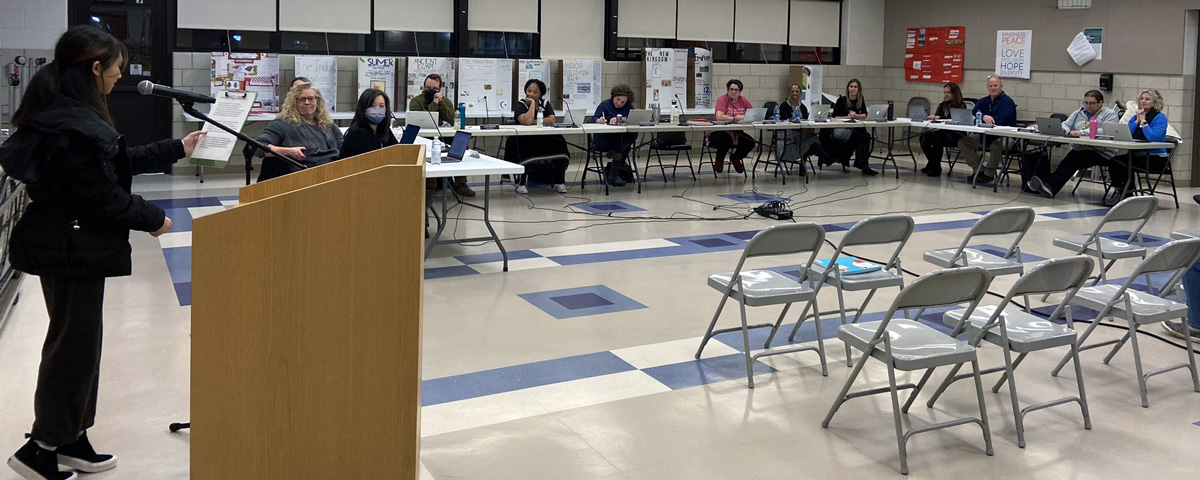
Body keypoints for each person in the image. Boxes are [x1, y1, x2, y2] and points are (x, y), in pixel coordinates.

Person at [0, 25, 204, 480]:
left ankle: (71, 437)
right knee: (72, 348)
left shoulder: (69, 114)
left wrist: (176, 147)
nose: (119, 76)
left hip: (71, 245)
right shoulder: (73, 123)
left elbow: (109, 165)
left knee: (80, 343)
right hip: (70, 247)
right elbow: (101, 196)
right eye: (117, 68)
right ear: (95, 68)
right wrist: (153, 217)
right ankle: (41, 447)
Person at [1024, 90, 1120, 198]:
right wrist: (1063, 129)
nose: (1088, 106)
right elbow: (1067, 124)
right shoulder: (1079, 112)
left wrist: (1082, 132)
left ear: (1101, 103)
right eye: (1086, 103)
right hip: (1081, 149)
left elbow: (1106, 131)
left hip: (1101, 151)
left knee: (1073, 161)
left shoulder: (1110, 114)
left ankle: (1048, 185)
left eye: (1092, 103)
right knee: (1068, 161)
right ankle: (1047, 185)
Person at [254, 83, 344, 182]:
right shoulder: (283, 124)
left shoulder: (328, 124)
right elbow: (257, 147)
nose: (307, 102)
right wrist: (288, 151)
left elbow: (344, 148)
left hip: (333, 174)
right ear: (294, 102)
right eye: (302, 99)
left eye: (311, 99)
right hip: (302, 179)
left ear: (317, 101)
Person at [410, 73, 474, 197]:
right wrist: (434, 103)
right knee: (426, 150)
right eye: (428, 88)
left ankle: (460, 183)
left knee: (460, 144)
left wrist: (441, 103)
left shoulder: (445, 101)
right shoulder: (416, 101)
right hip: (423, 136)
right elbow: (424, 119)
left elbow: (453, 119)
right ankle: (430, 186)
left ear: (439, 89)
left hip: (441, 134)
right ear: (423, 87)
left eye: (434, 89)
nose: (431, 91)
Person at [505, 79, 570, 194]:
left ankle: (559, 182)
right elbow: (526, 121)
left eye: (535, 92)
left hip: (543, 137)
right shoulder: (521, 104)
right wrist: (533, 105)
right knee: (525, 150)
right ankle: (521, 183)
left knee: (560, 144)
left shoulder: (545, 104)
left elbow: (551, 119)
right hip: (524, 138)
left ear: (540, 94)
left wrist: (534, 122)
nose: (531, 94)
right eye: (529, 91)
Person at [956, 75, 1017, 184]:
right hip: (985, 135)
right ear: (987, 87)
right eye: (990, 86)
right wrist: (983, 116)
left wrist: (979, 118)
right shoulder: (983, 101)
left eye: (995, 85)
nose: (993, 88)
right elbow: (972, 114)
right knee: (963, 142)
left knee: (996, 145)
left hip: (1005, 136)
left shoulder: (1007, 102)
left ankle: (989, 174)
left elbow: (998, 122)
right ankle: (979, 169)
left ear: (1001, 86)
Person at [819, 78, 877, 175]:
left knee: (865, 136)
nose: (853, 89)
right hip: (840, 130)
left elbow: (864, 115)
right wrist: (848, 117)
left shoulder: (860, 100)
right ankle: (863, 165)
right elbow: (835, 117)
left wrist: (856, 116)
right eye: (851, 86)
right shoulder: (841, 100)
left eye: (855, 87)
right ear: (848, 88)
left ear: (859, 89)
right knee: (863, 135)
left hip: (853, 130)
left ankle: (863, 164)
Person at [591, 84, 638, 186]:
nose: (619, 103)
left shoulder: (629, 107)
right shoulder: (604, 105)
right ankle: (613, 174)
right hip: (603, 140)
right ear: (613, 96)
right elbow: (593, 119)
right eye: (618, 99)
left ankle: (614, 172)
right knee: (625, 146)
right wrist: (599, 120)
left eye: (623, 102)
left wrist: (623, 119)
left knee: (631, 136)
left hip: (619, 140)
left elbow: (634, 118)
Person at [918, 82, 967, 177]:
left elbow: (954, 119)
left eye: (948, 92)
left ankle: (935, 167)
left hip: (955, 134)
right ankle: (933, 163)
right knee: (924, 137)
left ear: (955, 93)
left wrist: (939, 117)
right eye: (944, 92)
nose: (946, 94)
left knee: (938, 138)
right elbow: (937, 118)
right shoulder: (942, 105)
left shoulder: (961, 105)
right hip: (942, 131)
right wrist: (931, 118)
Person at [707, 79, 756, 173]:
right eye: (731, 89)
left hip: (736, 131)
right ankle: (719, 158)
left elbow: (753, 115)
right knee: (726, 140)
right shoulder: (722, 99)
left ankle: (736, 157)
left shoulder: (744, 100)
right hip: (719, 131)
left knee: (750, 142)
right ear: (727, 90)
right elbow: (719, 117)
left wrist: (742, 117)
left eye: (736, 90)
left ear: (740, 91)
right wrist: (734, 118)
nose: (733, 92)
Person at [339, 88, 398, 159]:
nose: (377, 110)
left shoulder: (384, 130)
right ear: (363, 108)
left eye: (381, 106)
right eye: (372, 106)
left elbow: (397, 151)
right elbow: (370, 161)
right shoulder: (357, 134)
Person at [774, 83, 815, 176]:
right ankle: (806, 161)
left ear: (800, 93)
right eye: (792, 91)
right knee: (807, 138)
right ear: (789, 93)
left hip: (801, 132)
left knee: (810, 136)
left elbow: (805, 121)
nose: (794, 93)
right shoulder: (783, 106)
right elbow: (784, 122)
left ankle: (804, 161)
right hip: (788, 132)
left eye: (797, 91)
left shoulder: (803, 107)